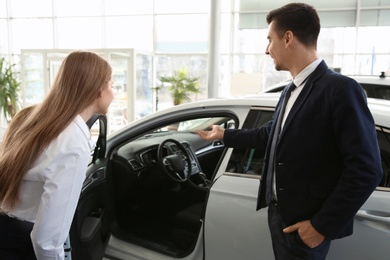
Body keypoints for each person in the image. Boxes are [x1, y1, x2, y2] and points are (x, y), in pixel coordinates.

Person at [196, 3, 382, 260]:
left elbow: (367, 168)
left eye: (269, 40)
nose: (266, 49)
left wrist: (320, 227)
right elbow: (271, 134)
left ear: (288, 38)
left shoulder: (339, 89)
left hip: (307, 225)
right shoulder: (290, 89)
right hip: (280, 216)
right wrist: (224, 135)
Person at [0, 50, 114, 259]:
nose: (113, 93)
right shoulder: (73, 145)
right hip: (19, 243)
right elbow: (46, 241)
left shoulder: (34, 116)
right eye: (111, 86)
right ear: (99, 90)